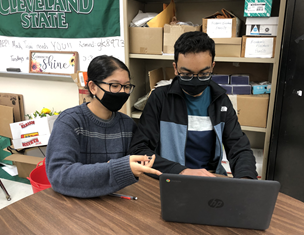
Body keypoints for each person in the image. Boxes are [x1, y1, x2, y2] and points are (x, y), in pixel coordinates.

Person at [128, 31, 258, 179]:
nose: (195, 80)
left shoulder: (221, 100)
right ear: (175, 68)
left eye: (203, 74)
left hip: (211, 178)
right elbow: (140, 150)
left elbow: (239, 148)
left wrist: (247, 181)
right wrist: (180, 171)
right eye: (186, 74)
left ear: (212, 67)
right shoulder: (160, 98)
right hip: (172, 178)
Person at [46, 55, 161, 198]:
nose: (122, 92)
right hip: (74, 204)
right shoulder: (70, 122)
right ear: (93, 87)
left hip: (115, 201)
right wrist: (119, 169)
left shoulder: (127, 125)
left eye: (126, 86)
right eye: (114, 85)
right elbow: (59, 175)